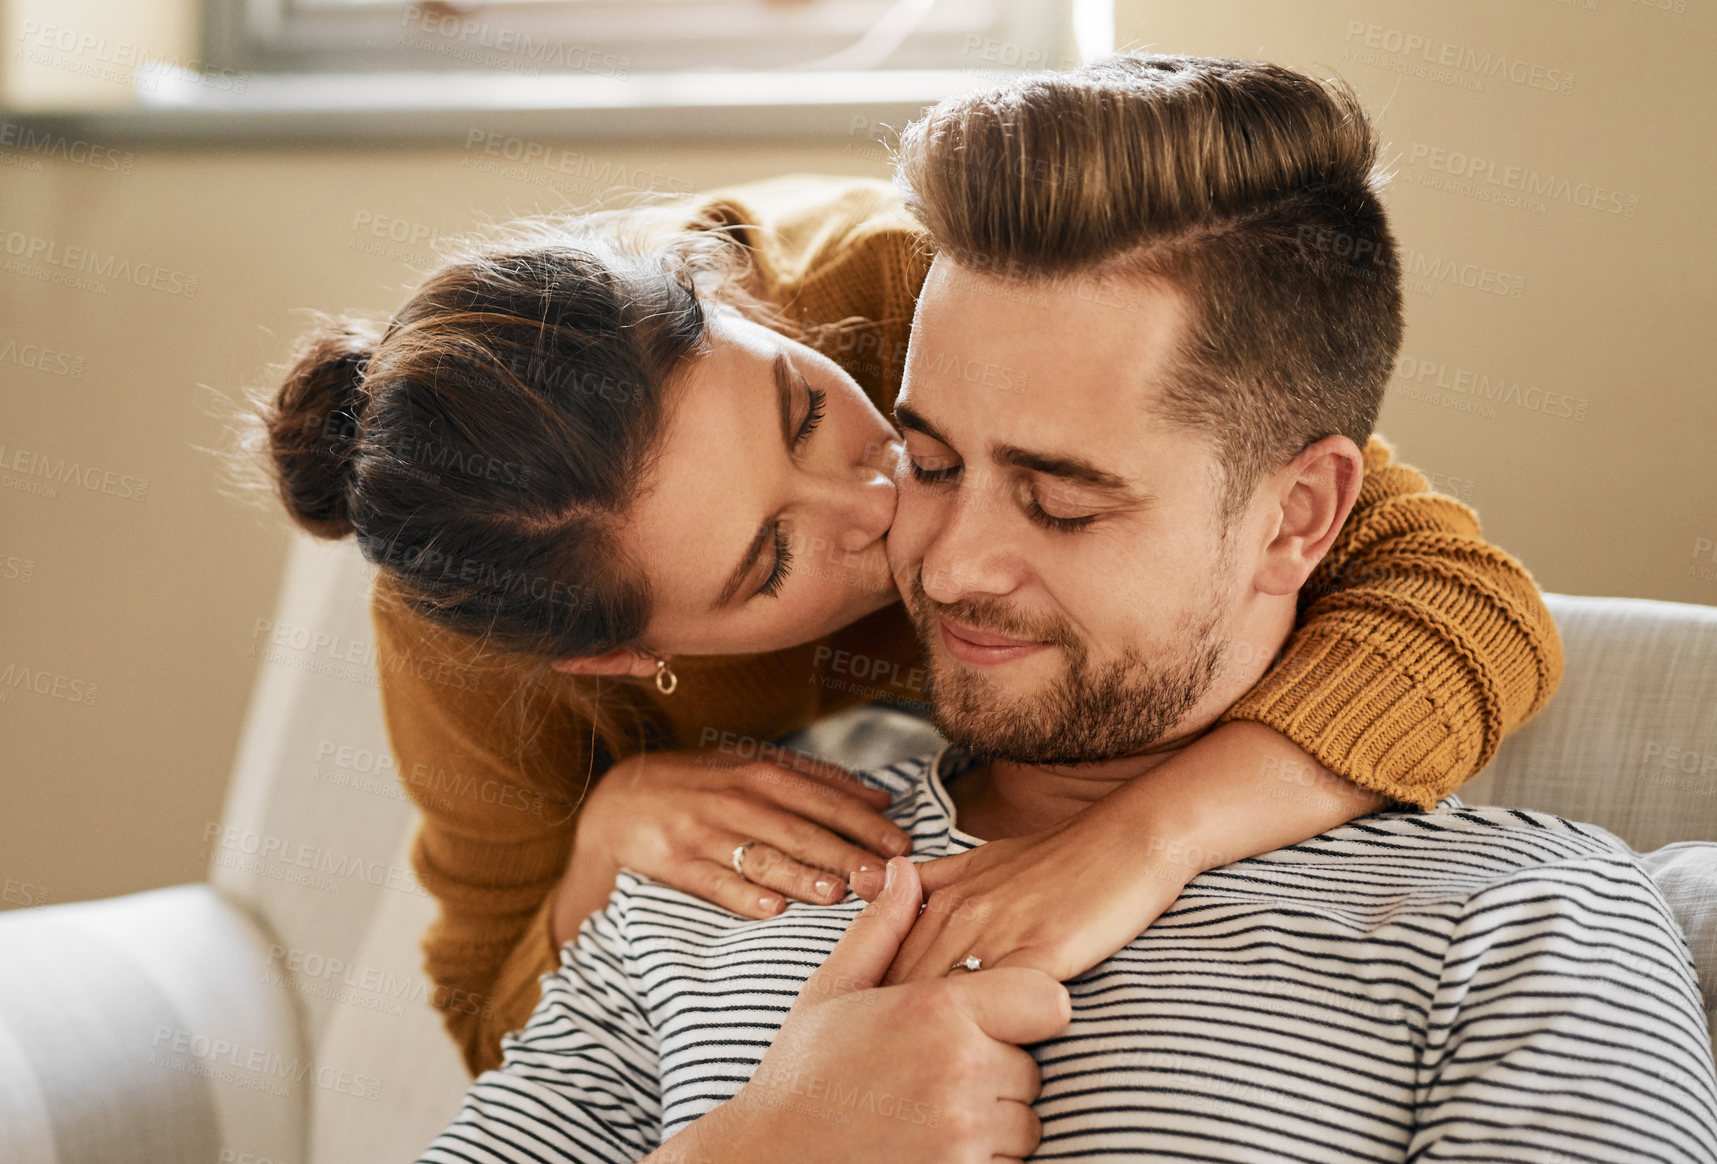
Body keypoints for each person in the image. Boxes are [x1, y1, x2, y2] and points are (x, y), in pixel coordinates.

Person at [413, 53, 1717, 1163]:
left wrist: (1153, 842)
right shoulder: (708, 884)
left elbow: (1469, 599)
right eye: (924, 462)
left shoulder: (1522, 921)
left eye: (1064, 503)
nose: (949, 562)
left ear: (1299, 517)